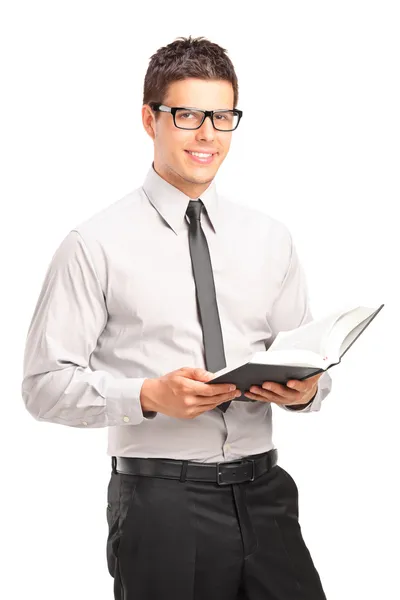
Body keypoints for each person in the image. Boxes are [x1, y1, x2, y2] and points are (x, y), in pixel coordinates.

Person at [22, 35, 333, 600]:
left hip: (266, 497)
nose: (207, 134)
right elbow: (43, 386)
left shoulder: (270, 238)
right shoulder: (94, 244)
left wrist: (305, 390)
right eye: (188, 114)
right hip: (161, 507)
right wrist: (146, 396)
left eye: (222, 116)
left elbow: (310, 361)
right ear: (150, 119)